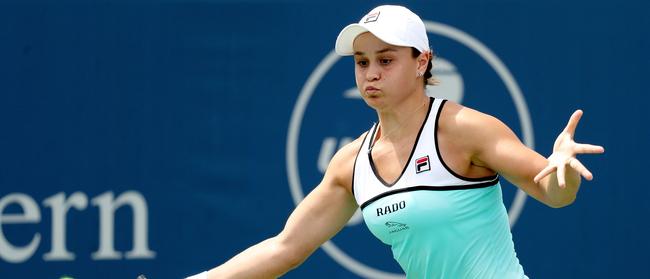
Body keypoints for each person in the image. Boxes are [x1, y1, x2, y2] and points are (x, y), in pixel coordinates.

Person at [186, 5, 604, 279]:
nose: (371, 74)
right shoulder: (351, 163)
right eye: (362, 62)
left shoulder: (465, 129)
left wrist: (562, 168)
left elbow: (552, 193)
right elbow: (285, 248)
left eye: (386, 60)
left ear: (421, 62)